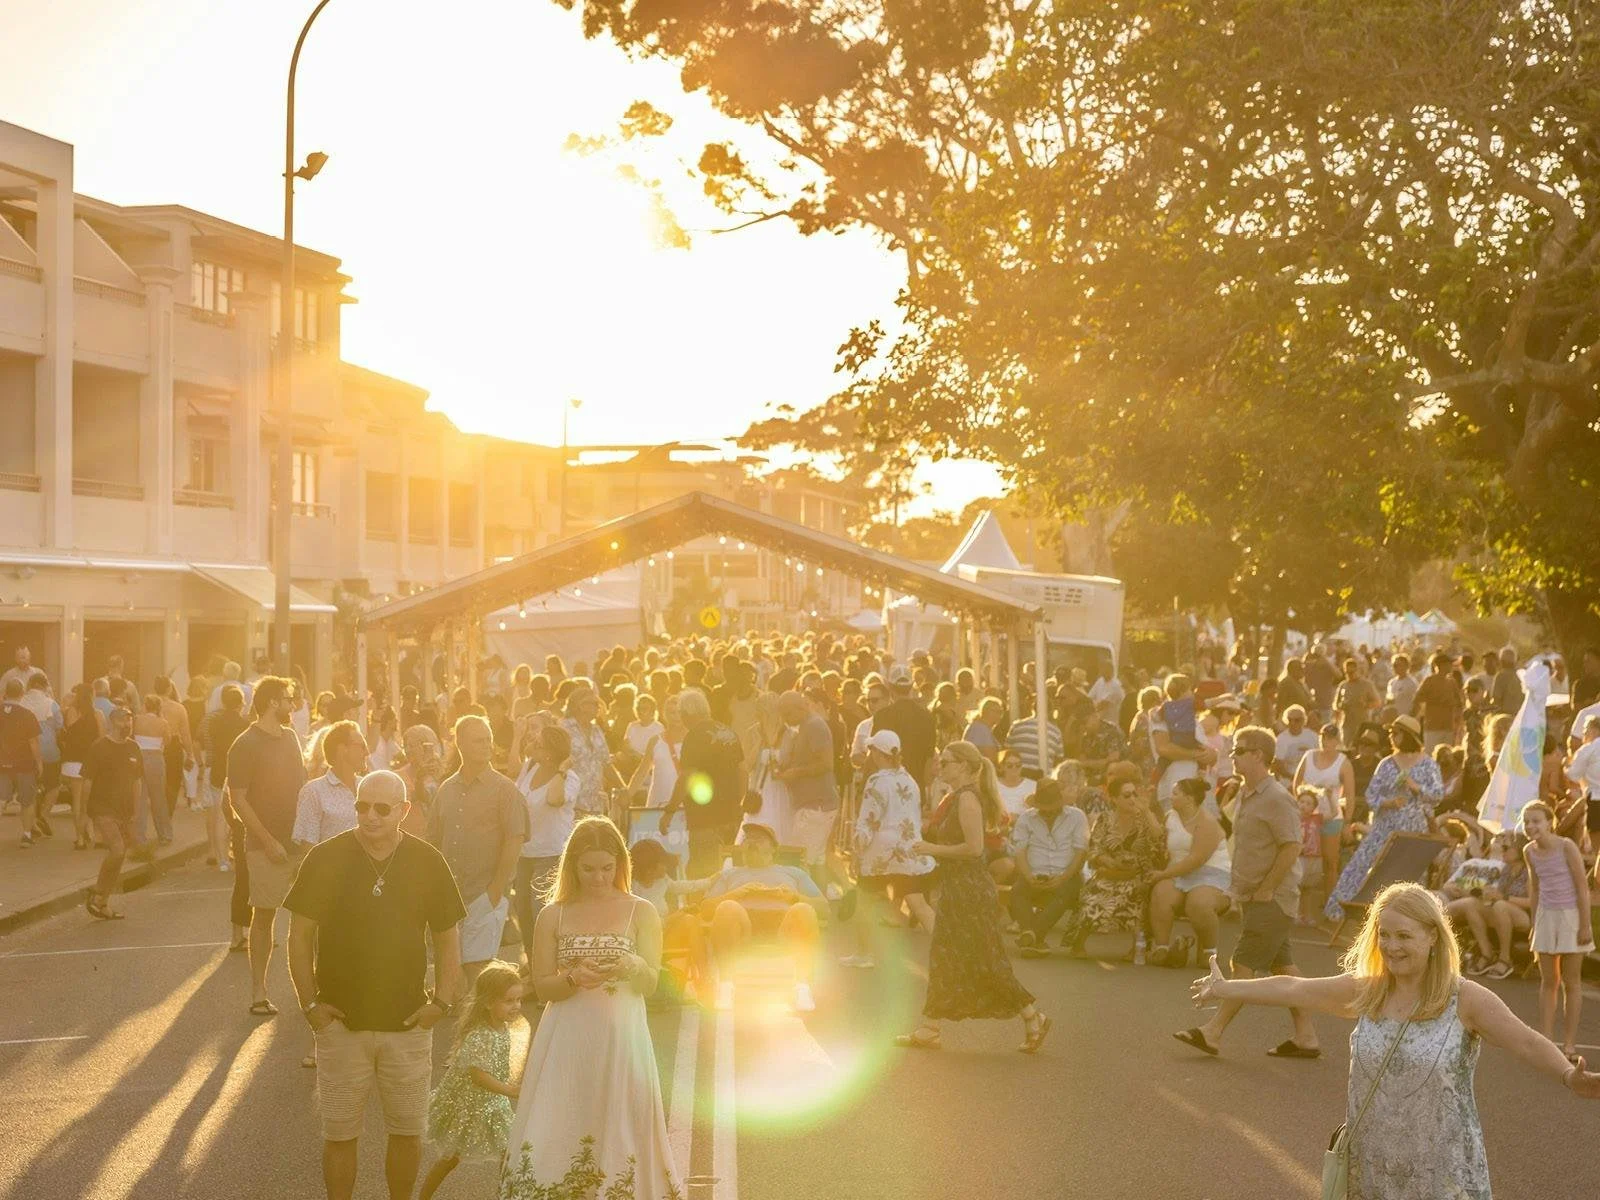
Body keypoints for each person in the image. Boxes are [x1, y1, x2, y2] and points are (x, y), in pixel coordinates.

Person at [1189, 882, 1600, 1199]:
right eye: (1384, 935)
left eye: (1404, 936)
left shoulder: (1466, 999)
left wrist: (1569, 1076)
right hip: (1372, 1165)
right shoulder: (1368, 990)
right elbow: (1296, 987)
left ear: (1433, 937)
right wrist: (1227, 989)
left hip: (1441, 1171)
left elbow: (1527, 1042)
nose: (1391, 946)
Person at [286, 769, 465, 1200]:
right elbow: (298, 935)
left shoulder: (427, 861)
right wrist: (310, 1007)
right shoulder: (326, 858)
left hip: (407, 1024)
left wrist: (440, 1002)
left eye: (381, 808)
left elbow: (447, 939)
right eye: (361, 806)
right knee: (340, 1134)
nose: (369, 816)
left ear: (404, 811)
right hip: (341, 1024)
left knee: (406, 1132)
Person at [503, 817, 679, 1200]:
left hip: (621, 1038)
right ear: (571, 867)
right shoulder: (553, 914)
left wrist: (631, 966)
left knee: (618, 1124)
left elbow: (651, 984)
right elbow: (542, 985)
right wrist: (572, 979)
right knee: (562, 1120)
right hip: (566, 1036)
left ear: (620, 864)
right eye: (588, 869)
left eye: (606, 867)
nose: (598, 877)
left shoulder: (642, 911)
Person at [1174, 724, 1320, 1059]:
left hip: (1271, 899)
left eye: (1239, 750)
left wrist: (1267, 888)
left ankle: (1213, 1031)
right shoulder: (1246, 792)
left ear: (1258, 756)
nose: (1233, 756)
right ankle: (1306, 1037)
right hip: (1254, 896)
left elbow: (1291, 846)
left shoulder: (1277, 798)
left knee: (1242, 965)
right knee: (1286, 970)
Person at [895, 740, 1051, 1053]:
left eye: (948, 761)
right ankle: (931, 1027)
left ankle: (1034, 1016)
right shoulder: (954, 797)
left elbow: (975, 849)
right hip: (957, 886)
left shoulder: (967, 798)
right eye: (942, 760)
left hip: (969, 889)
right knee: (946, 955)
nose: (941, 766)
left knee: (984, 960)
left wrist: (932, 849)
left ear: (965, 766)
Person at [227, 676, 309, 1016]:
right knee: (264, 917)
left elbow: (303, 784)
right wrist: (268, 841)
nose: (292, 705)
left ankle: (310, 990)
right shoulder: (244, 744)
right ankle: (259, 992)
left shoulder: (290, 738)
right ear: (273, 702)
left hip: (299, 842)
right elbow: (238, 800)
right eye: (288, 699)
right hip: (265, 847)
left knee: (309, 917)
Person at [432, 714, 528, 985]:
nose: (486, 745)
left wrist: (495, 891)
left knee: (478, 970)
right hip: (450, 895)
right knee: (452, 971)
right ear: (459, 743)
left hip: (484, 894)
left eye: (488, 739)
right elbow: (434, 840)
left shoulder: (504, 790)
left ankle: (484, 1025)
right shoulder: (446, 789)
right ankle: (467, 1024)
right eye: (478, 740)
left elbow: (515, 840)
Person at [418, 961, 523, 1200]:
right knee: (449, 1159)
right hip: (468, 1104)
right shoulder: (480, 1035)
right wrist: (510, 1090)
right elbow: (478, 1075)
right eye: (509, 1001)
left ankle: (506, 1195)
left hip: (492, 1103)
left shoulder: (502, 1028)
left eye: (518, 999)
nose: (516, 1006)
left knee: (509, 1152)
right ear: (487, 1003)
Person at [1325, 715, 1444, 922]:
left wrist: (1416, 787)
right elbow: (1371, 794)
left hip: (1412, 829)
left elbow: (1437, 795)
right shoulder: (1386, 763)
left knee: (1407, 871)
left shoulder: (1428, 765)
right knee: (1363, 865)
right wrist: (1387, 803)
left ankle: (1408, 916)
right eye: (1391, 733)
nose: (1392, 737)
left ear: (1408, 736)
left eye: (1396, 733)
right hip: (1383, 827)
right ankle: (1343, 910)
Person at [701, 822, 827, 1012]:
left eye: (758, 839)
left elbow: (824, 908)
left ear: (773, 849)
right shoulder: (729, 874)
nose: (752, 842)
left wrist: (794, 897)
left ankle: (802, 987)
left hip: (783, 928)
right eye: (748, 839)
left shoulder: (793, 873)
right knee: (727, 906)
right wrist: (735, 894)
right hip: (742, 928)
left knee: (804, 909)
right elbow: (705, 909)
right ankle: (726, 987)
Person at [845, 730, 936, 967]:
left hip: (880, 853)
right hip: (906, 850)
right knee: (919, 903)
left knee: (865, 903)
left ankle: (865, 954)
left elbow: (868, 820)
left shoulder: (876, 781)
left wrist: (857, 851)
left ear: (878, 753)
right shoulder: (909, 779)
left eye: (872, 749)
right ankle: (948, 953)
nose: (870, 753)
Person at [1060, 761, 1166, 957]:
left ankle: (1138, 946)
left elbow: (1159, 839)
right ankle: (1079, 943)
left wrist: (1146, 810)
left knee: (1137, 893)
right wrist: (1110, 862)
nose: (1132, 799)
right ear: (1114, 799)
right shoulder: (1105, 819)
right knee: (1093, 894)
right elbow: (1095, 850)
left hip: (1137, 874)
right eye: (1127, 795)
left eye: (1135, 794)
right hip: (1110, 872)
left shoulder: (1145, 818)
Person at [1522, 800, 1594, 1064]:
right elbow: (1535, 889)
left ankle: (1570, 1044)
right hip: (1545, 918)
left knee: (1571, 982)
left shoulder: (1567, 847)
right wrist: (1534, 926)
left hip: (1571, 917)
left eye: (1536, 821)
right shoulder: (1528, 851)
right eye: (1527, 821)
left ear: (1549, 822)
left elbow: (1581, 887)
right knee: (1548, 982)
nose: (1530, 826)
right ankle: (1546, 1041)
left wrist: (1585, 925)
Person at [657, 687, 747, 879]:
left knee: (703, 874)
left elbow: (686, 777)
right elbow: (742, 771)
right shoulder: (728, 732)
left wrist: (670, 810)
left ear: (688, 713)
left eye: (682, 714)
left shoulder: (695, 736)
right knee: (732, 871)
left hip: (705, 818)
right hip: (731, 815)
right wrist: (738, 801)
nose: (681, 719)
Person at [513, 723, 579, 974]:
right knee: (523, 912)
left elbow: (553, 799)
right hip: (525, 853)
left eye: (538, 744)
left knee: (542, 914)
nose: (533, 746)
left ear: (550, 753)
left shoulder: (570, 779)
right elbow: (516, 795)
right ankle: (534, 968)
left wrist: (561, 772)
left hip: (551, 854)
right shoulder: (530, 767)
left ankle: (549, 973)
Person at [1148, 776, 1231, 968]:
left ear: (1189, 799)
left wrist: (1161, 874)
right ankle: (1161, 948)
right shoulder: (1170, 816)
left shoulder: (1208, 822)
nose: (1171, 796)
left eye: (1176, 793)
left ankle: (1209, 953)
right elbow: (1159, 838)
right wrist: (1145, 812)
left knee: (1198, 903)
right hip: (1178, 872)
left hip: (1211, 873)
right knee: (1161, 892)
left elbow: (1195, 860)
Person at [1009, 779, 1089, 958]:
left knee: (1066, 892)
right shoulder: (1026, 818)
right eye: (1044, 811)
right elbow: (1020, 852)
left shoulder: (1077, 817)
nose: (1048, 814)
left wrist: (1063, 878)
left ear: (1060, 804)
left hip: (1066, 874)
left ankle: (1032, 935)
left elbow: (1080, 853)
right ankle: (1034, 938)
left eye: (1052, 810)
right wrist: (1029, 876)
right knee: (1017, 890)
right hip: (1035, 873)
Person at [81, 705, 144, 920]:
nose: (127, 725)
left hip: (124, 811)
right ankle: (97, 890)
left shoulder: (134, 748)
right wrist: (83, 815)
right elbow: (87, 781)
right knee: (117, 850)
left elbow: (137, 782)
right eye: (123, 720)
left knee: (120, 855)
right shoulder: (99, 747)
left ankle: (102, 902)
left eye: (130, 721)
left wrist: (135, 812)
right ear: (112, 722)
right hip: (101, 807)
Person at [1292, 723, 1356, 922]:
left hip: (1330, 818)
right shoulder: (1309, 756)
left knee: (1330, 861)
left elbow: (1351, 796)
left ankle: (1330, 906)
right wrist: (1303, 806)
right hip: (1308, 817)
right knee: (1300, 860)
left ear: (1338, 740)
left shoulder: (1343, 762)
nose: (1326, 741)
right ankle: (1297, 908)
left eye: (1331, 738)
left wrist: (1347, 823)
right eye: (1324, 737)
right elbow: (1296, 784)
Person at [629, 837, 709, 997]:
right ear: (649, 870)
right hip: (643, 942)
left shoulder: (662, 881)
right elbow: (649, 926)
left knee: (690, 921)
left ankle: (704, 978)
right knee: (685, 916)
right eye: (662, 863)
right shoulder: (632, 890)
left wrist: (709, 881)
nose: (666, 866)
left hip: (664, 934)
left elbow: (683, 886)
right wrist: (680, 913)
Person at [1447, 833, 1530, 981]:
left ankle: (1505, 958)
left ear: (1519, 849)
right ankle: (1487, 953)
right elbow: (1498, 897)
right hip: (1504, 910)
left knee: (1500, 905)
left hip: (1525, 916)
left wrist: (1503, 898)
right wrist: (1487, 895)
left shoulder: (1529, 871)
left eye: (1505, 847)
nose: (1502, 850)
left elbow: (1532, 902)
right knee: (1472, 904)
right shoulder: (1506, 870)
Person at [775, 690, 839, 875]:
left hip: (816, 805)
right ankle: (822, 900)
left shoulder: (813, 725)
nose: (785, 719)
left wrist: (797, 773)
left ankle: (809, 901)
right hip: (813, 803)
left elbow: (827, 763)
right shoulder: (804, 726)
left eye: (788, 714)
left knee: (798, 862)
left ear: (801, 707)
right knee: (816, 861)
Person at [292, 720, 364, 849]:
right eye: (361, 747)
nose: (367, 752)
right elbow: (308, 848)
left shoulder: (366, 786)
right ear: (342, 749)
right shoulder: (313, 791)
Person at [872, 664, 937, 791]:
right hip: (916, 787)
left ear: (890, 687)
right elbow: (929, 758)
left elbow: (874, 756)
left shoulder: (882, 716)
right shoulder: (927, 717)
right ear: (912, 686)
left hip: (886, 788)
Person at [58, 681, 103, 850]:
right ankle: (95, 835)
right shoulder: (98, 714)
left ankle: (80, 839)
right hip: (91, 761)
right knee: (91, 800)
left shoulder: (70, 712)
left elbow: (67, 733)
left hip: (72, 761)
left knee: (77, 801)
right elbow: (101, 738)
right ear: (92, 695)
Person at [0, 678, 43, 849]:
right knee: (27, 801)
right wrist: (39, 763)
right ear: (22, 694)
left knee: (1, 800)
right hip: (24, 764)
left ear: (5, 693)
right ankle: (26, 835)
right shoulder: (27, 715)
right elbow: (33, 742)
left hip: (1, 764)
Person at [1414, 650, 1464, 753]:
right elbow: (1418, 698)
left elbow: (1459, 703)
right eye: (1448, 664)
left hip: (1448, 726)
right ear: (1440, 665)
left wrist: (1457, 720)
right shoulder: (1429, 681)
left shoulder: (1452, 682)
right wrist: (1437, 700)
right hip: (1432, 727)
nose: (1451, 666)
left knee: (1447, 756)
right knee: (1431, 755)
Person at [1334, 656, 1382, 749]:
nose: (1350, 675)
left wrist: (1366, 705)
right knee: (1347, 747)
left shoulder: (1367, 685)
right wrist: (1341, 706)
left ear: (1358, 670)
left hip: (1362, 723)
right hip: (1346, 723)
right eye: (1347, 672)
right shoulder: (1343, 685)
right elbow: (1336, 704)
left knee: (1361, 747)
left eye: (1352, 672)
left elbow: (1378, 702)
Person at [1272, 704, 1318, 778]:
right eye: (1290, 720)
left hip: (1311, 776)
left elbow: (1320, 758)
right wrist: (1293, 778)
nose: (1293, 723)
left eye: (1297, 720)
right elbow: (1279, 765)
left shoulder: (1313, 736)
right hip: (1288, 777)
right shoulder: (1281, 739)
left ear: (1303, 720)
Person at [1491, 647, 1524, 716]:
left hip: (1505, 715)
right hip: (1521, 715)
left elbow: (1496, 699)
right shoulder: (1522, 675)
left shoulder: (1501, 676)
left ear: (1501, 660)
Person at [1385, 653, 1419, 718]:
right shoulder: (1392, 682)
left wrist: (1411, 717)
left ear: (1406, 666)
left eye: (1399, 665)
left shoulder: (1412, 683)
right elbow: (1388, 700)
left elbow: (1417, 704)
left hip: (1405, 718)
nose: (1395, 667)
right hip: (1393, 718)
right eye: (1394, 665)